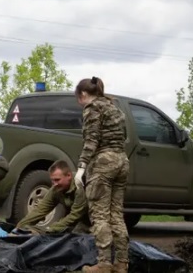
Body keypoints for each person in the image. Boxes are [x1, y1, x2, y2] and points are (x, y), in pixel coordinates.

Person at [74, 77, 130, 273]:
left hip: (103, 164)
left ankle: (104, 264)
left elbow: (91, 140)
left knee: (100, 215)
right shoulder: (115, 107)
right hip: (122, 161)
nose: (79, 102)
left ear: (82, 94)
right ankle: (122, 263)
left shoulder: (92, 109)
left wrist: (81, 167)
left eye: (78, 98)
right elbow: (124, 136)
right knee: (116, 215)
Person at [12, 160, 91, 235]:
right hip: (81, 219)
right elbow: (40, 210)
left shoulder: (79, 186)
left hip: (95, 217)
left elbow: (75, 215)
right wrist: (20, 226)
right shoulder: (56, 189)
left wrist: (51, 229)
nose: (54, 184)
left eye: (57, 180)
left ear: (69, 175)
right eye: (52, 180)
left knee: (77, 239)